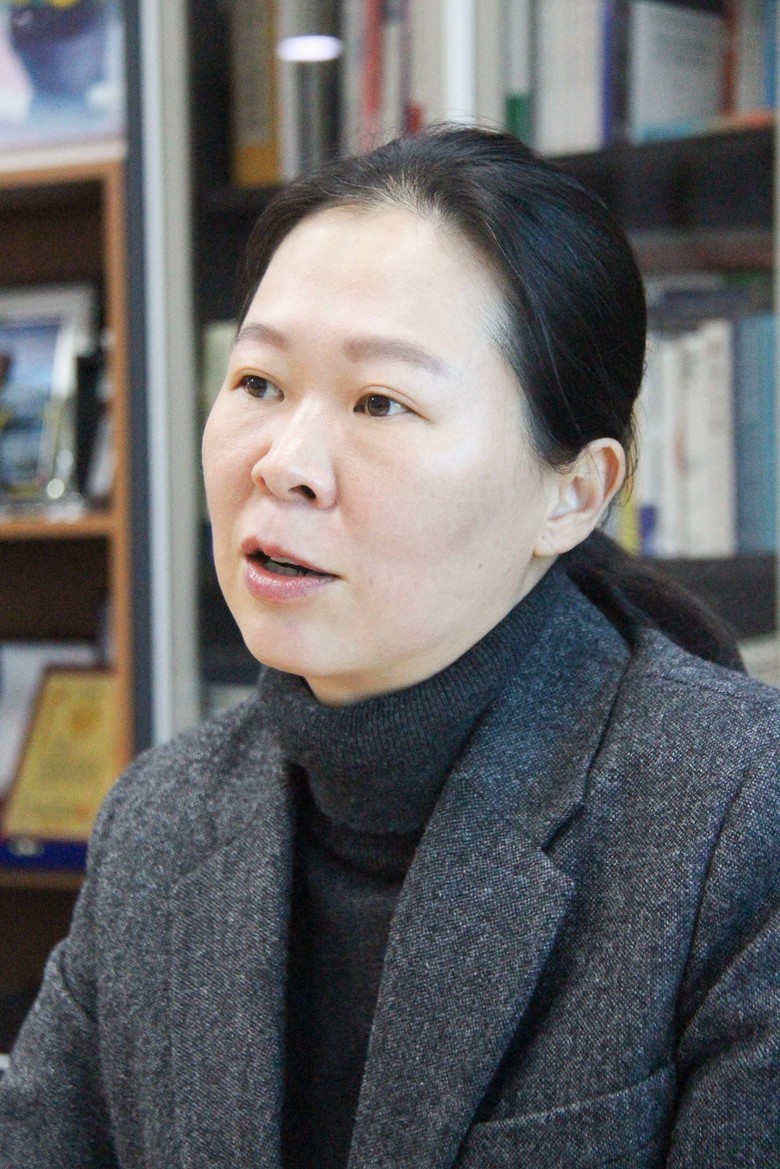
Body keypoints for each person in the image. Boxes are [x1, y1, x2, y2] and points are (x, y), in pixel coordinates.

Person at [1, 125, 778, 1168]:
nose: (285, 462)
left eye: (380, 401)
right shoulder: (160, 819)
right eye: (259, 382)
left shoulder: (740, 817)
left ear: (574, 493)